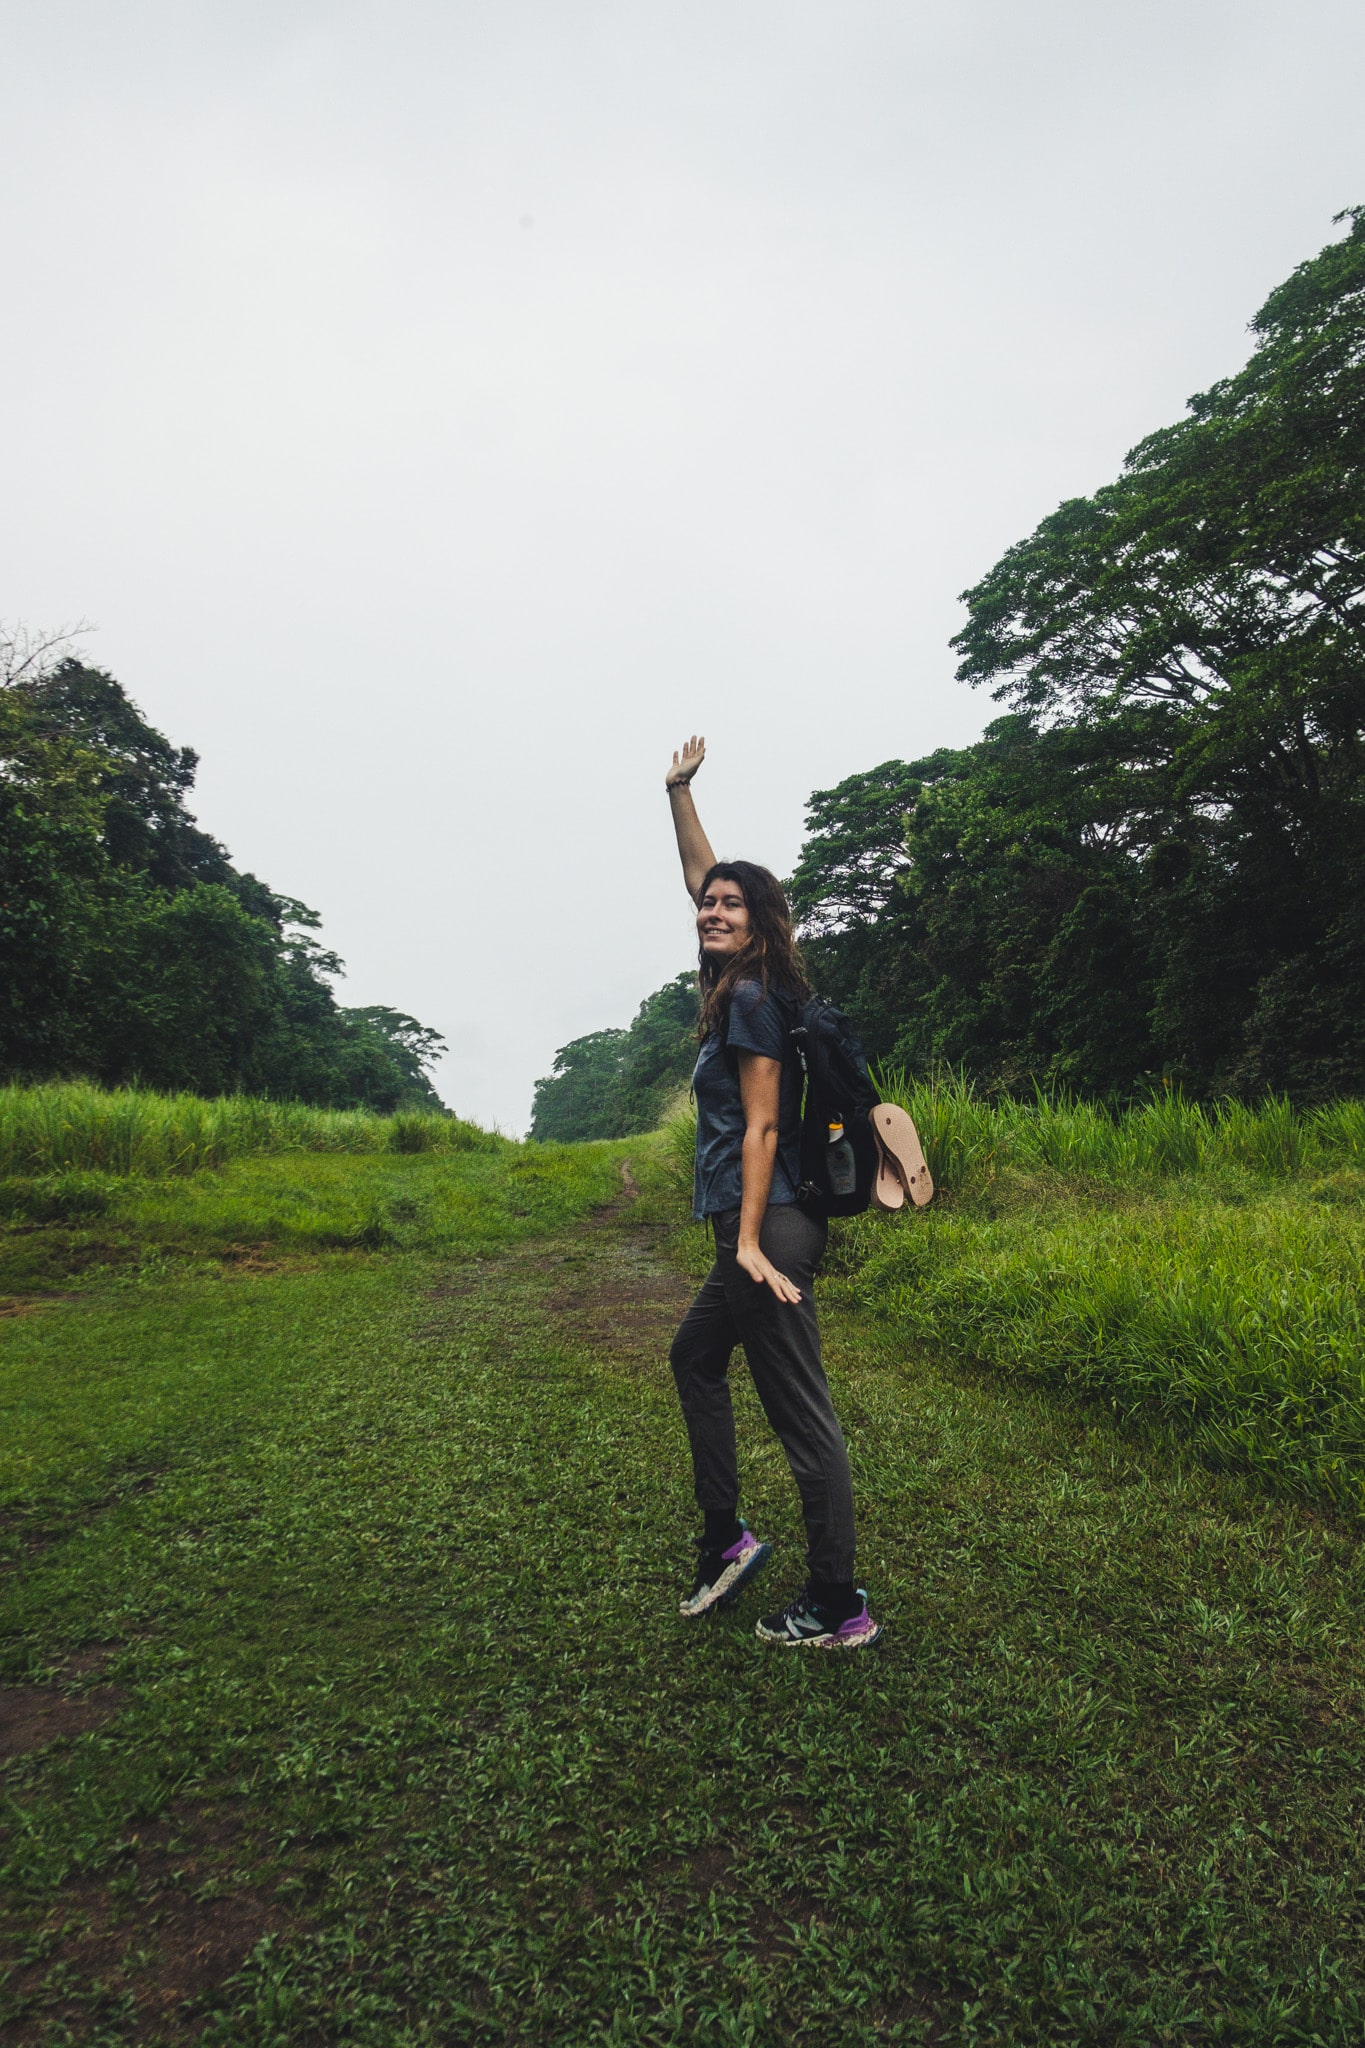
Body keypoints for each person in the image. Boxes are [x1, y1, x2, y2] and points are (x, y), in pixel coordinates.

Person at [664, 734, 881, 1650]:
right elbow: (699, 875)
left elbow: (758, 1126)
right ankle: (726, 1539)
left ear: (759, 923)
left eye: (729, 905)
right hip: (748, 1230)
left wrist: (747, 1242)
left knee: (802, 1414)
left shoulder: (750, 999)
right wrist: (676, 792)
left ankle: (839, 1602)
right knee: (692, 1357)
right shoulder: (739, 976)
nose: (711, 909)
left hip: (769, 1231)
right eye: (708, 903)